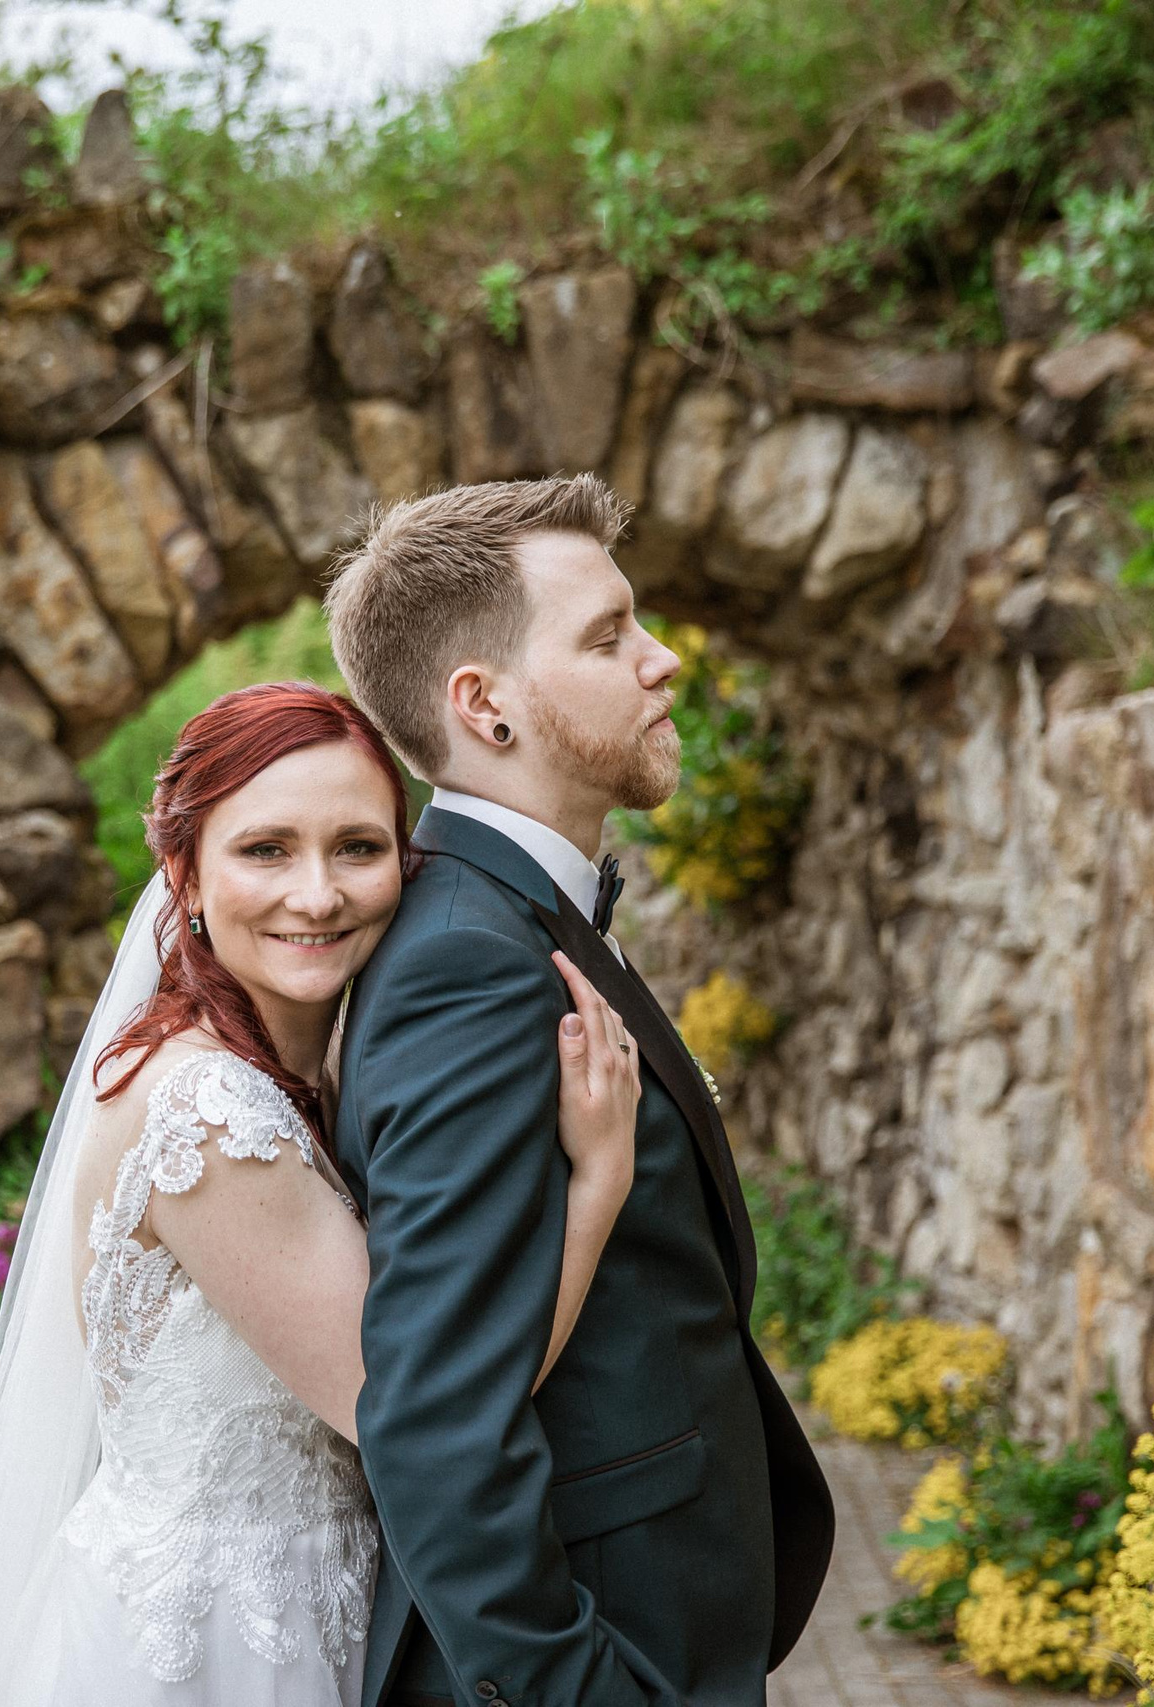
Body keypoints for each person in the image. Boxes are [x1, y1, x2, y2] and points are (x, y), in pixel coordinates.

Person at [0, 680, 646, 1706]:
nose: (317, 895)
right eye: (266, 851)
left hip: (308, 1611)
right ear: (187, 876)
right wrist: (598, 1183)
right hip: (213, 1642)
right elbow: (412, 1405)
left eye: (356, 847)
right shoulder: (212, 1114)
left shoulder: (302, 1073)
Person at [322, 474, 833, 1707]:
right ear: (484, 705)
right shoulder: (466, 967)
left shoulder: (515, 916)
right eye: (607, 637)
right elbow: (438, 1418)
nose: (661, 662)